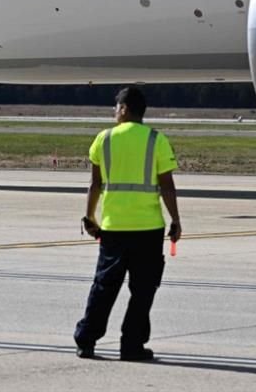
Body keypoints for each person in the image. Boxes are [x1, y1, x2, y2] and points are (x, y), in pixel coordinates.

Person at [73, 86, 182, 361]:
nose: (114, 112)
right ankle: (131, 346)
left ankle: (86, 340)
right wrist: (176, 220)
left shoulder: (104, 139)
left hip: (113, 227)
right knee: (143, 291)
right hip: (148, 228)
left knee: (104, 286)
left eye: (116, 108)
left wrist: (90, 217)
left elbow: (95, 183)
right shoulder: (156, 140)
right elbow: (167, 186)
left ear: (123, 109)